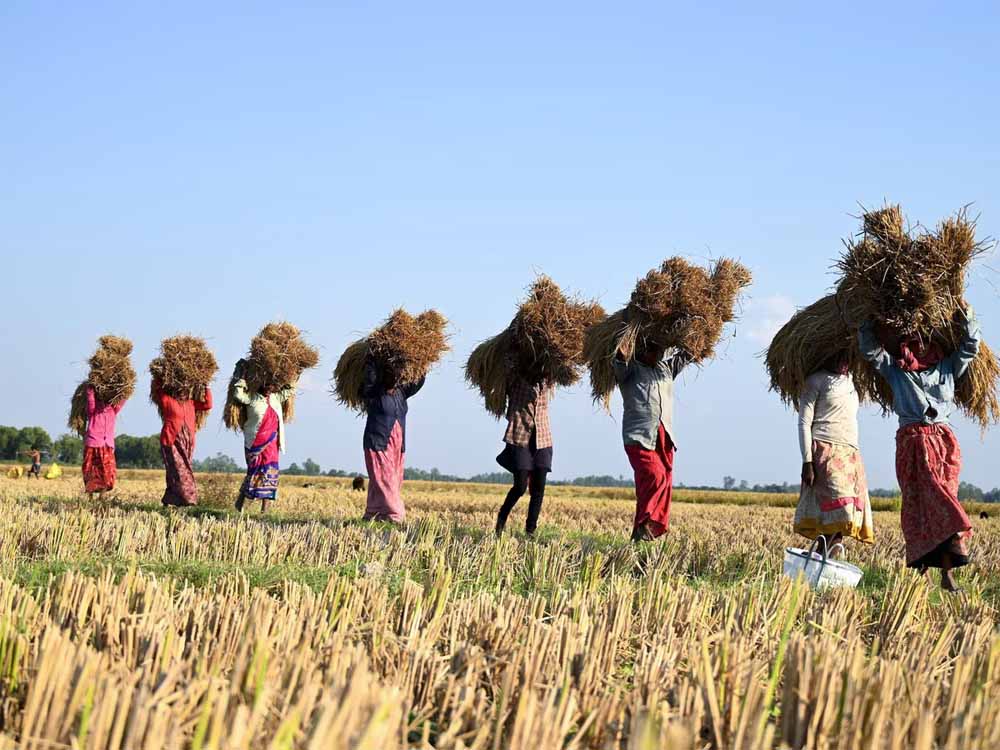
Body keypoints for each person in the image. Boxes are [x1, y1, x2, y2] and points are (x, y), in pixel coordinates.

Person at [859, 304, 981, 591]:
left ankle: (947, 572)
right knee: (919, 504)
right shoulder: (897, 369)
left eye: (924, 342)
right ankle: (924, 570)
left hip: (944, 443)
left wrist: (967, 317)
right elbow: (870, 352)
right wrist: (868, 318)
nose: (919, 347)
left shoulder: (948, 366)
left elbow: (971, 346)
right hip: (913, 443)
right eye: (914, 342)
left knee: (946, 497)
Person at [794, 352, 874, 555]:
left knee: (840, 524)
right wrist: (807, 462)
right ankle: (820, 564)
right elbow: (804, 423)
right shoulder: (815, 381)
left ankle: (820, 567)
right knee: (839, 514)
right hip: (825, 450)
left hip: (850, 453)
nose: (842, 361)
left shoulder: (851, 381)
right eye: (837, 356)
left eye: (846, 357)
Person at [614, 343, 690, 541]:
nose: (657, 354)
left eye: (659, 351)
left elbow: (686, 356)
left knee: (660, 482)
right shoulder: (631, 370)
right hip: (639, 436)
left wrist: (697, 342)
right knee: (655, 476)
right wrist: (621, 356)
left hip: (664, 436)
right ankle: (645, 525)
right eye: (652, 350)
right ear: (642, 350)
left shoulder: (665, 369)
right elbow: (618, 368)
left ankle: (641, 531)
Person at [361, 358, 424, 523]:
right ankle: (396, 515)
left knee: (390, 481)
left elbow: (417, 381)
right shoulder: (374, 393)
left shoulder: (401, 393)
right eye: (391, 374)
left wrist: (422, 362)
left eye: (397, 375)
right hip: (378, 443)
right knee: (384, 480)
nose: (395, 377)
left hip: (398, 445)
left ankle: (373, 513)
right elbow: (369, 378)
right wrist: (374, 358)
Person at [230, 360, 296, 513]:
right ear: (260, 384)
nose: (269, 388)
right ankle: (240, 503)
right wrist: (240, 377)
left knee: (270, 473)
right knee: (253, 473)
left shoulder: (276, 398)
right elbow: (238, 395)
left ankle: (264, 510)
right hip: (254, 442)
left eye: (271, 385)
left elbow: (290, 390)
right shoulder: (252, 398)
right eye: (266, 385)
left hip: (272, 443)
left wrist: (293, 370)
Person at [494, 375, 553, 536]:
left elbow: (561, 371)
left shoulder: (547, 378)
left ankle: (530, 530)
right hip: (520, 436)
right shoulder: (516, 377)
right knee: (520, 486)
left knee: (538, 488)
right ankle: (502, 518)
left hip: (542, 437)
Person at [151, 379, 213, 507]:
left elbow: (208, 405)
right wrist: (160, 378)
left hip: (188, 441)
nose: (183, 389)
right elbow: (158, 392)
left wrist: (207, 387)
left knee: (176, 472)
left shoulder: (191, 403)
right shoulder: (168, 400)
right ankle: (189, 499)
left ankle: (170, 500)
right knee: (180, 470)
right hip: (171, 440)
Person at [82, 385, 125, 503]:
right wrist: (91, 388)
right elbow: (90, 400)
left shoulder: (113, 409)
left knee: (107, 472)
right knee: (91, 471)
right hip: (93, 443)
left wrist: (125, 389)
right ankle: (90, 496)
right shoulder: (93, 410)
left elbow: (122, 400)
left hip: (107, 445)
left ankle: (102, 495)